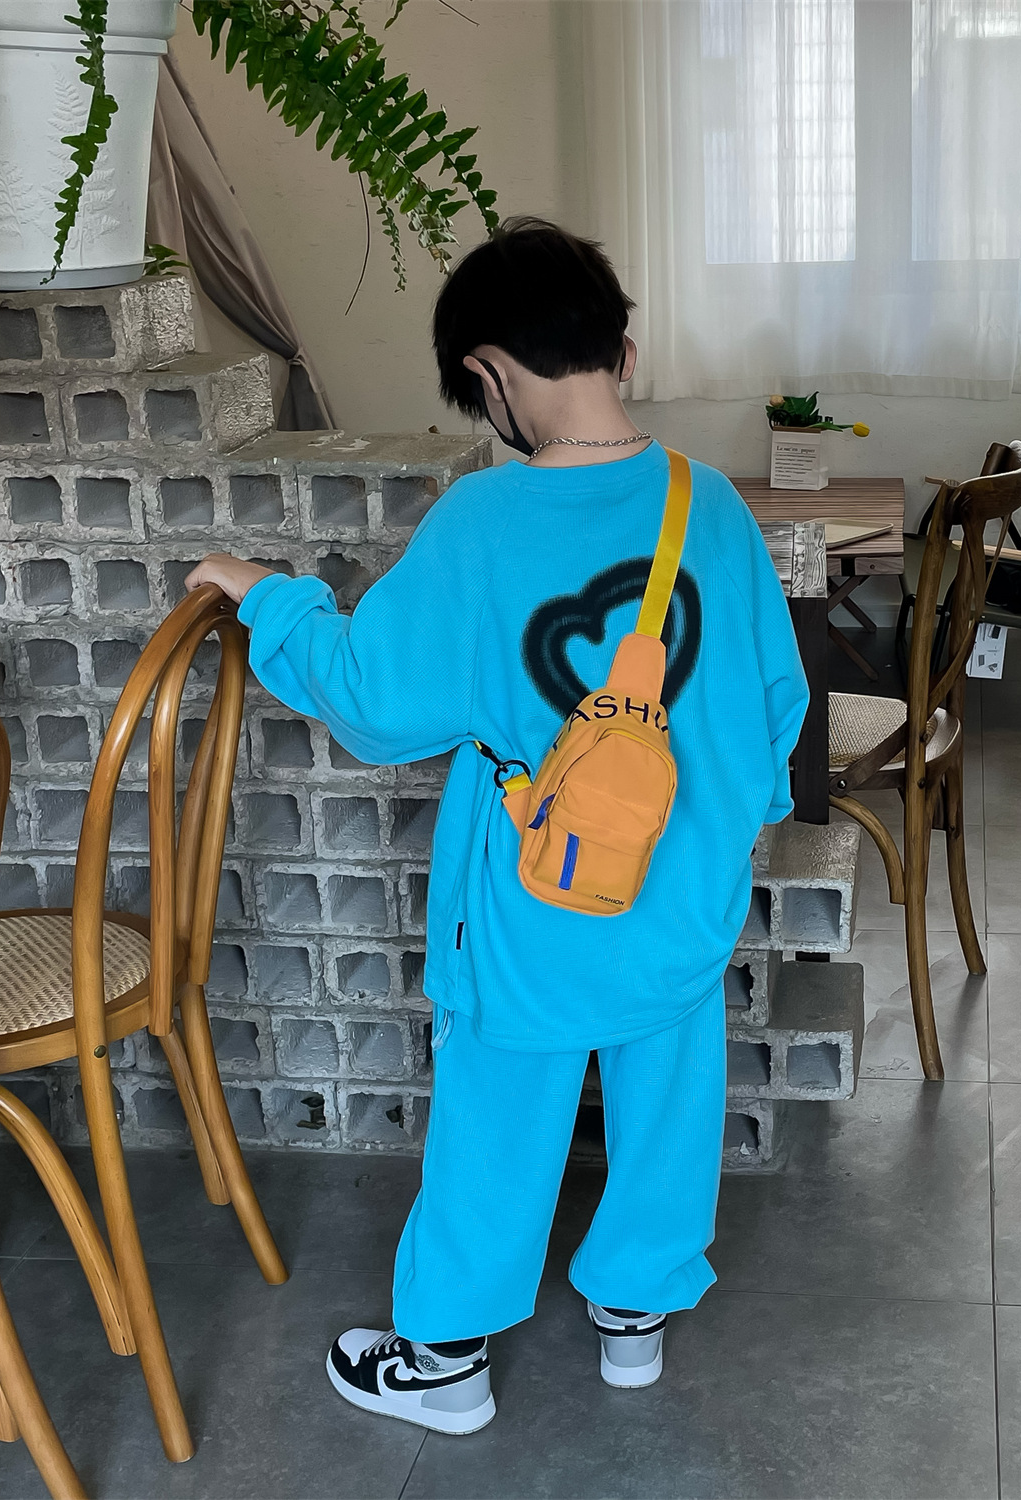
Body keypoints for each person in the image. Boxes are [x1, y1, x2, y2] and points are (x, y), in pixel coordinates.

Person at [186, 217, 809, 1435]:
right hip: (678, 893)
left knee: (498, 1116)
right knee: (669, 1097)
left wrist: (271, 598)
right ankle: (635, 1315)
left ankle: (446, 1360)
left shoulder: (480, 522)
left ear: (487, 374)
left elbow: (375, 700)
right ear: (623, 352)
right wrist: (719, 841)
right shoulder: (715, 506)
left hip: (532, 900)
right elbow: (774, 705)